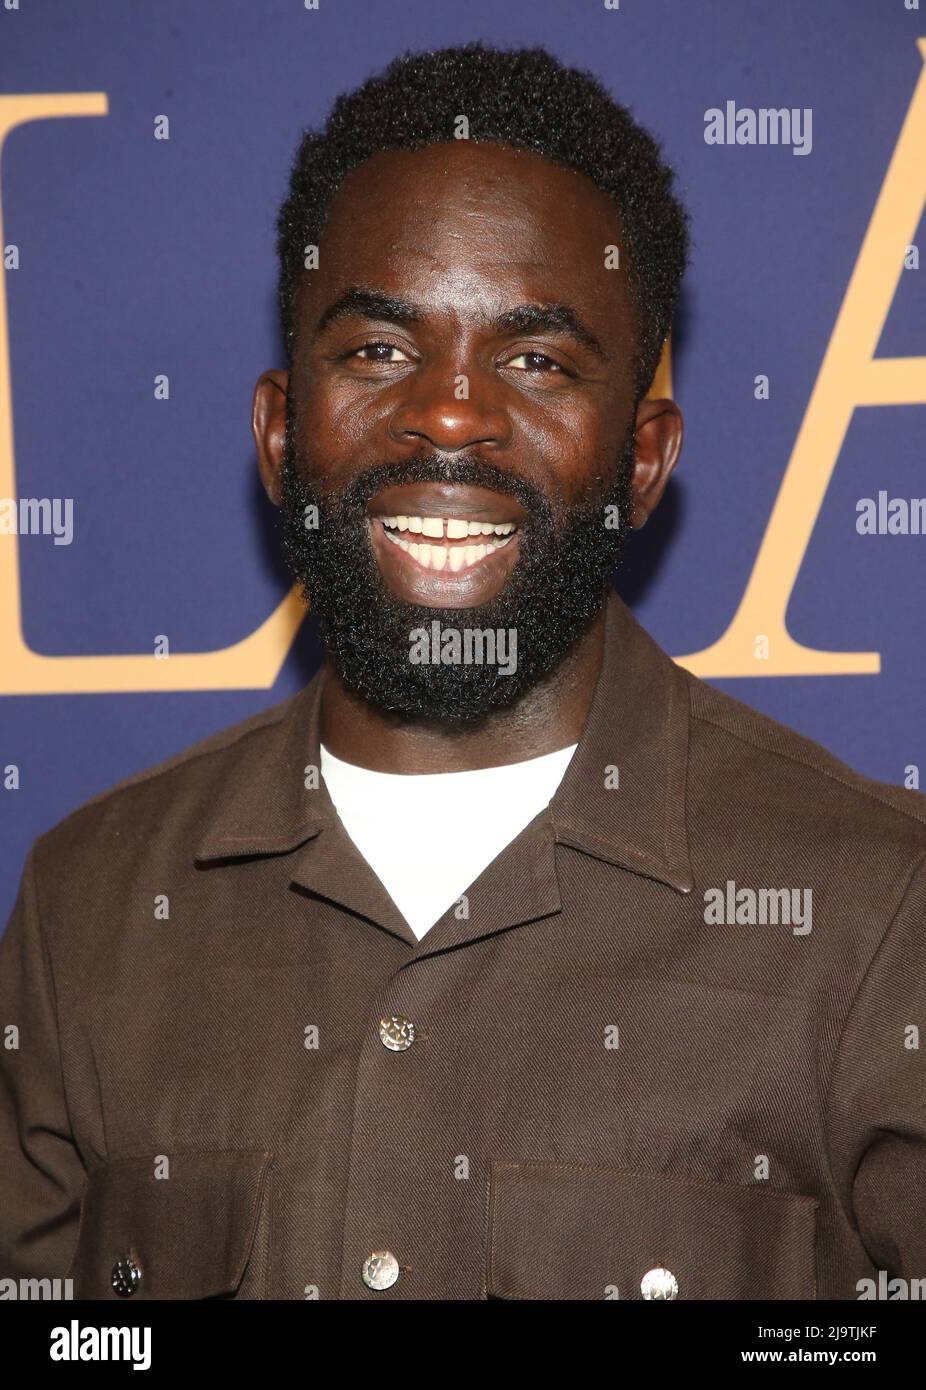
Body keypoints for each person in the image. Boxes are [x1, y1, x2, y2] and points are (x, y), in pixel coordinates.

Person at [1, 44, 924, 1302]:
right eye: (378, 349)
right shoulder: (86, 907)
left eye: (535, 362)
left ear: (642, 464)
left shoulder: (880, 912)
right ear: (280, 436)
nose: (447, 413)